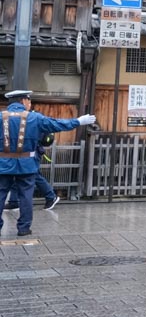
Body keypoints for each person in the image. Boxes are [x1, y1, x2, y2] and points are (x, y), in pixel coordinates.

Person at [0, 91, 93, 237]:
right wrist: (78, 121)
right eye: (29, 101)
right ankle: (24, 228)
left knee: (0, 194)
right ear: (24, 101)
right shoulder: (34, 117)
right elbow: (56, 124)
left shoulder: (1, 117)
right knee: (25, 196)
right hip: (27, 164)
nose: (30, 104)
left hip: (3, 164)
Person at [4, 134, 58, 211]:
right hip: (22, 150)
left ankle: (51, 196)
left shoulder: (30, 122)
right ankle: (14, 201)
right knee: (16, 173)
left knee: (34, 175)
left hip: (30, 151)